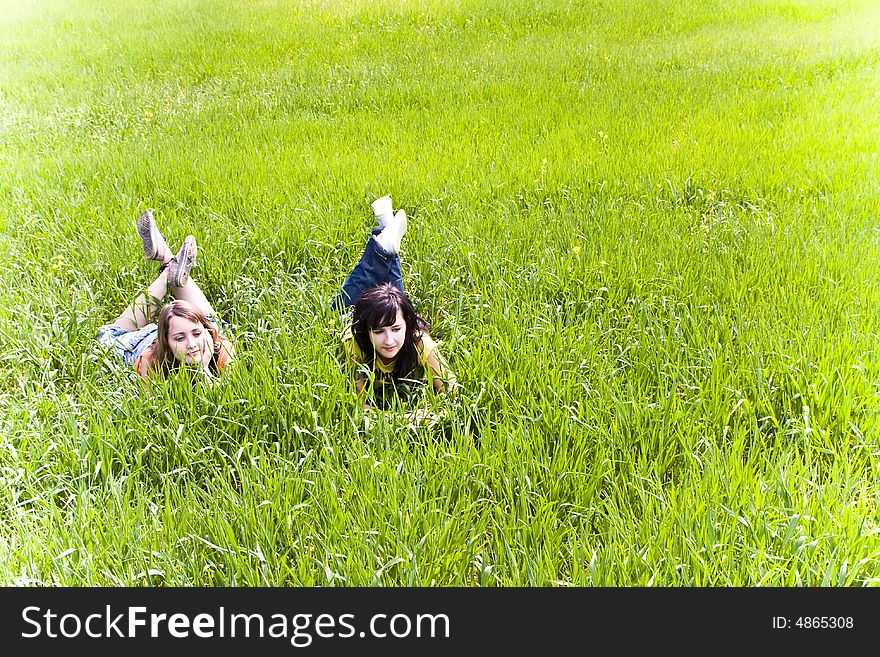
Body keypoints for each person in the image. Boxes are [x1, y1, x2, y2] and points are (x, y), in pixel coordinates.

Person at [335, 195, 456, 412]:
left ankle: (385, 234)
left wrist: (426, 416)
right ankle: (385, 234)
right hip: (351, 311)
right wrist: (402, 421)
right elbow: (360, 406)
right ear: (367, 332)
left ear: (408, 325)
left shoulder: (419, 341)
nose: (389, 340)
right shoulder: (355, 342)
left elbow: (452, 391)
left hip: (385, 311)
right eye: (379, 332)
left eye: (396, 329)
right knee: (361, 291)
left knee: (394, 300)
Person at [96, 210, 235, 379]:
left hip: (180, 326)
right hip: (142, 343)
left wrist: (203, 369)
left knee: (216, 324)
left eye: (197, 334)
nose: (192, 344)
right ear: (167, 343)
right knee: (108, 336)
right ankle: (167, 274)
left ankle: (168, 264)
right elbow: (152, 403)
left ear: (205, 332)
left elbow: (223, 400)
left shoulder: (222, 350)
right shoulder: (151, 362)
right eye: (180, 339)